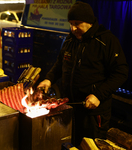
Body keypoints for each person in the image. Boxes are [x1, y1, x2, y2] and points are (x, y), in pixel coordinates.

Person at [37, 1, 128, 147]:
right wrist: (49, 79)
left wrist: (98, 95)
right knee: (71, 144)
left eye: (77, 23)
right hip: (70, 108)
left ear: (89, 22)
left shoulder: (106, 41)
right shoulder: (70, 40)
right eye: (71, 23)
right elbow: (60, 64)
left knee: (90, 146)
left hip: (93, 113)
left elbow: (121, 72)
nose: (73, 28)